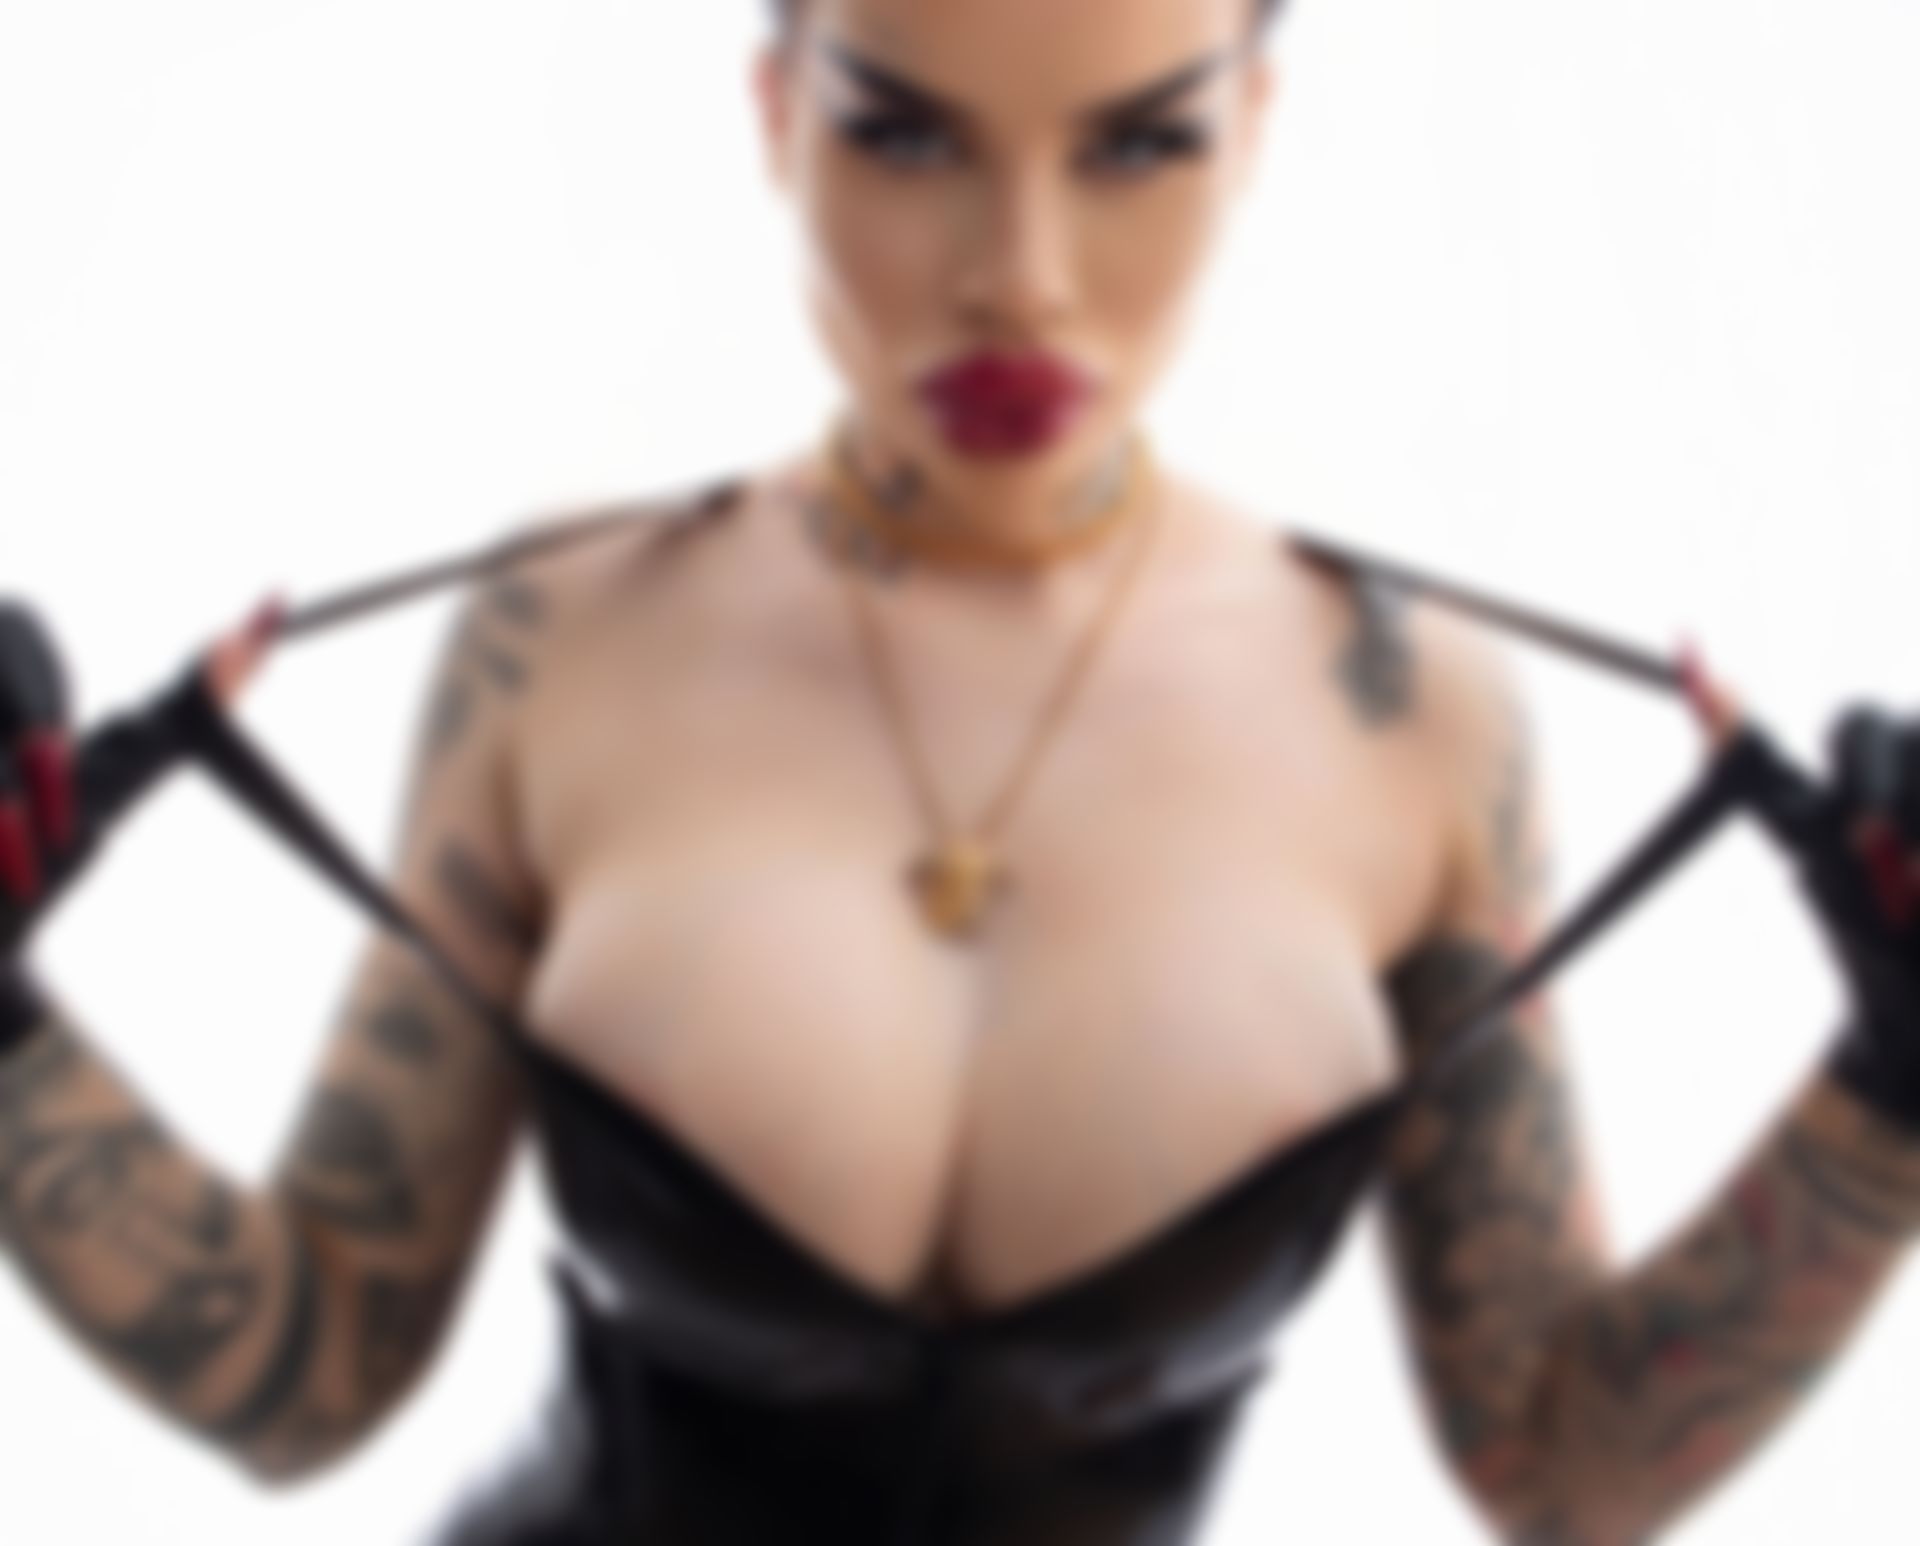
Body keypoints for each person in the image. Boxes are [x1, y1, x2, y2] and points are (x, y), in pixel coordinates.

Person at [3, 0, 1920, 1541]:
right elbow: (303, 1362)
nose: (1021, 277)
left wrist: (1894, 1088)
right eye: (905, 136)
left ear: (1257, 122)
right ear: (776, 109)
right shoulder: (564, 631)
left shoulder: (1417, 717)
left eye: (1138, 144)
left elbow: (1562, 1464)